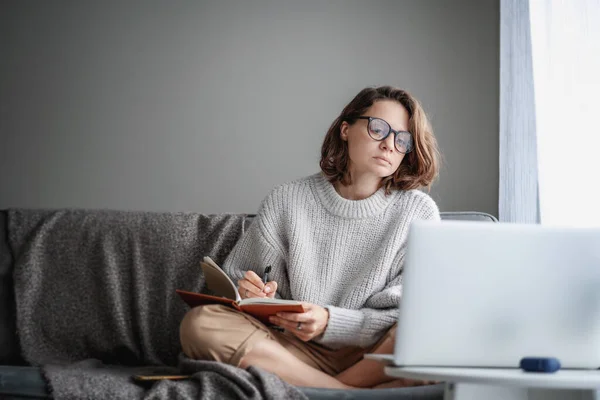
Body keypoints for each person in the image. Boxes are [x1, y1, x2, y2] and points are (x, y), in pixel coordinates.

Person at [180, 86, 441, 389]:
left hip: (371, 353)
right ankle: (347, 393)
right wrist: (253, 294)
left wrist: (330, 321)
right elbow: (239, 281)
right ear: (346, 129)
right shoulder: (288, 199)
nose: (389, 145)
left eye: (402, 139)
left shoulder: (418, 212)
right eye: (378, 129)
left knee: (426, 328)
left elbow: (410, 311)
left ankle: (319, 389)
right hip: (292, 349)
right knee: (200, 323)